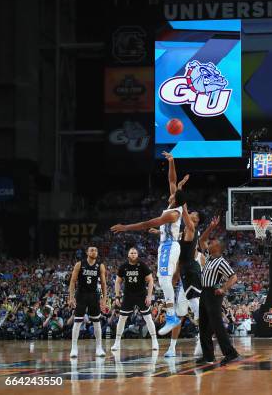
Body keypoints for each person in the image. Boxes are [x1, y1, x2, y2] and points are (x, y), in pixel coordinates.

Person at [111, 152, 188, 335]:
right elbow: (172, 180)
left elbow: (146, 224)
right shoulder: (172, 205)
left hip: (170, 245)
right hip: (167, 244)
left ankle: (171, 316)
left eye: (173, 193)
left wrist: (125, 227)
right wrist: (171, 161)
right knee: (164, 280)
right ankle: (172, 314)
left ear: (175, 199)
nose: (170, 191)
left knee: (164, 279)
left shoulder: (173, 213)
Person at [197, 234, 240, 366]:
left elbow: (234, 277)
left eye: (212, 242)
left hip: (213, 293)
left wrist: (223, 289)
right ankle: (208, 355)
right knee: (203, 325)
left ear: (217, 247)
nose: (209, 243)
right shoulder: (209, 258)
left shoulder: (221, 262)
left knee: (217, 325)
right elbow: (201, 240)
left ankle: (231, 353)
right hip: (204, 292)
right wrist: (210, 228)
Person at [111, 247, 158, 352]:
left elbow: (150, 280)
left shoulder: (142, 265)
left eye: (135, 253)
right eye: (131, 252)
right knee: (122, 318)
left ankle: (155, 341)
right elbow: (118, 282)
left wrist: (149, 296)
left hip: (141, 294)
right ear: (128, 255)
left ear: (137, 255)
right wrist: (117, 296)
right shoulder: (123, 266)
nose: (133, 254)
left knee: (148, 317)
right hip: (128, 295)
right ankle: (117, 342)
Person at [68, 245, 107, 358]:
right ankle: (74, 348)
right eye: (92, 250)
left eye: (96, 250)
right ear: (87, 252)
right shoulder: (80, 264)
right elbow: (72, 281)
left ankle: (99, 347)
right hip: (81, 295)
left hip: (94, 295)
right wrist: (71, 297)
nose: (94, 252)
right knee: (77, 321)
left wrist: (104, 298)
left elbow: (104, 283)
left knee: (96, 321)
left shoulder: (100, 266)